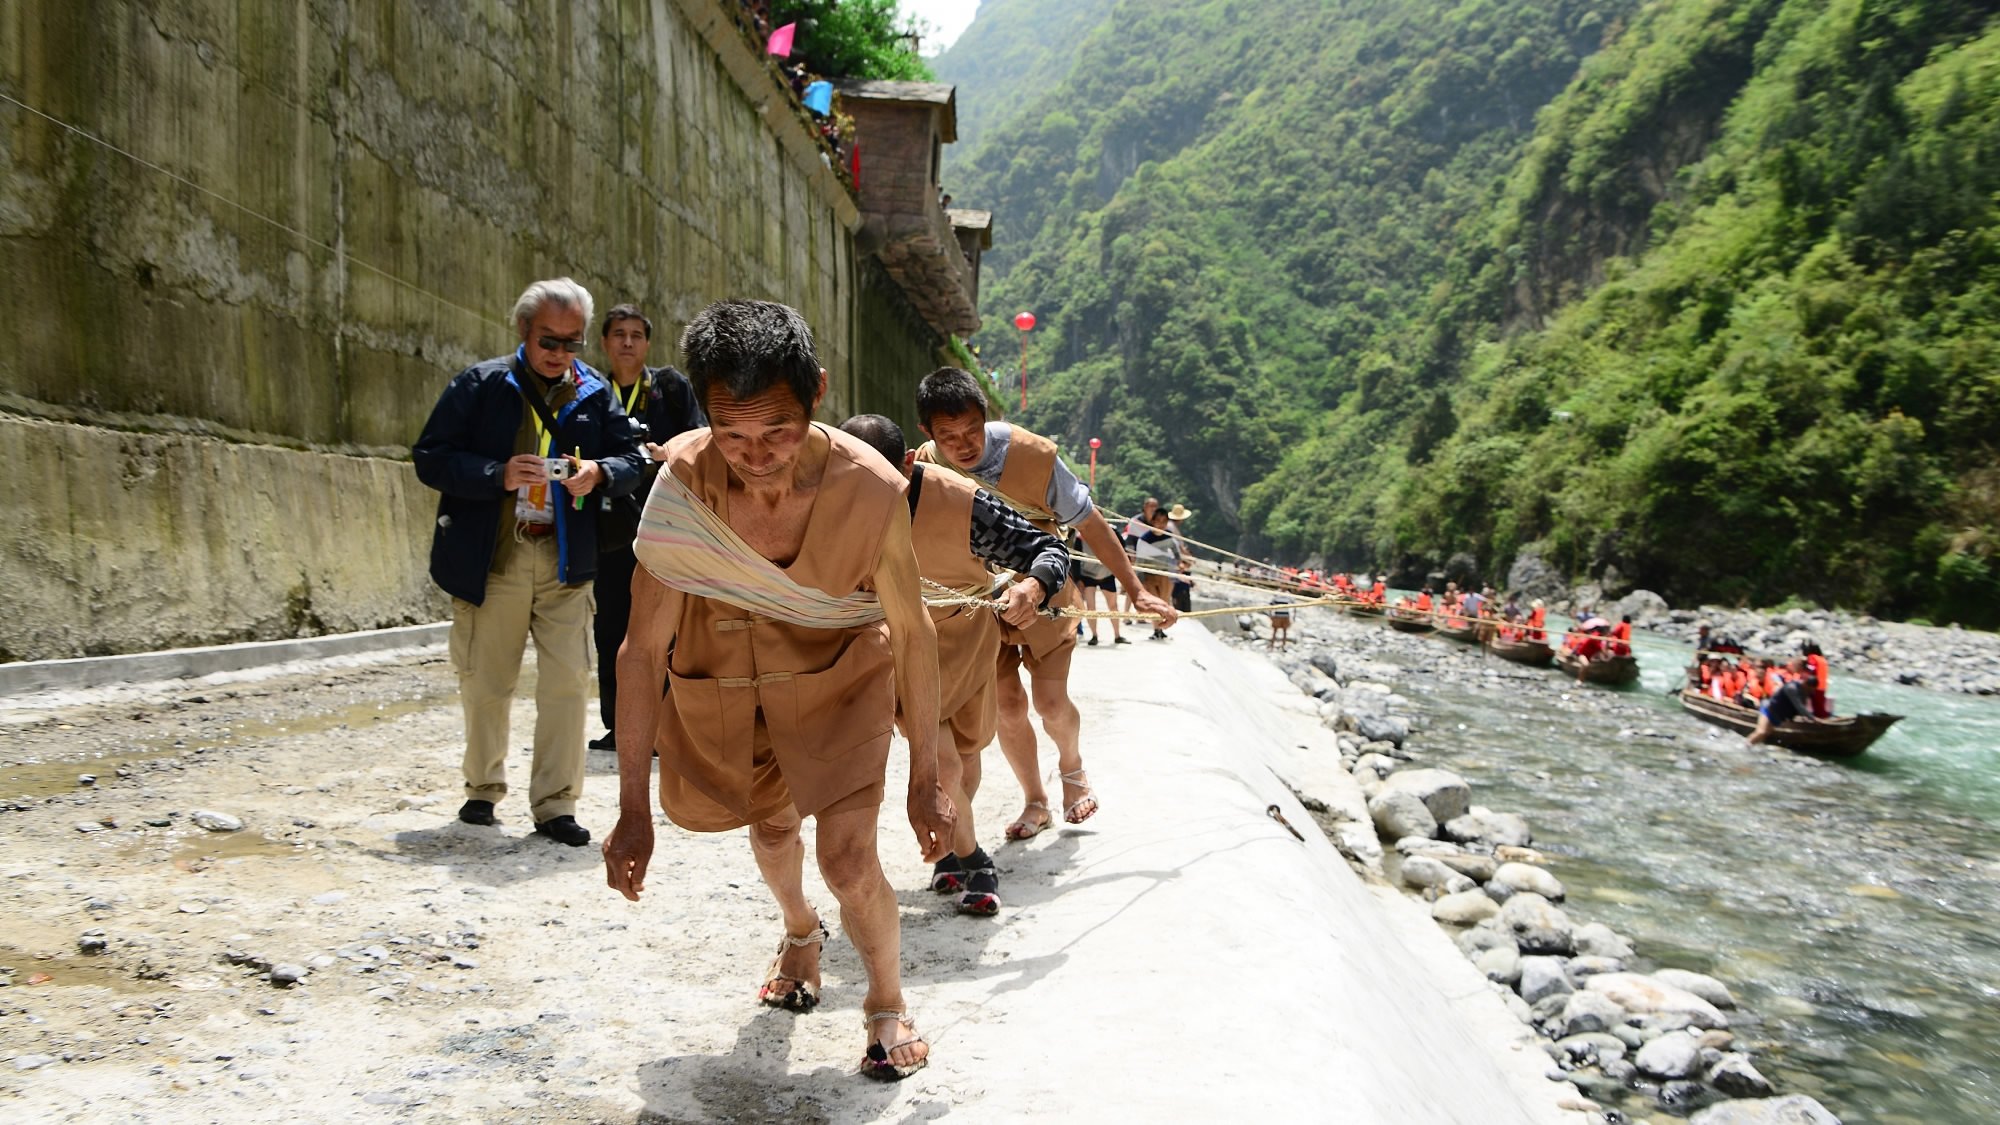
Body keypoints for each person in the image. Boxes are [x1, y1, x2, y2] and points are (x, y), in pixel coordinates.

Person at [604, 300, 952, 1081]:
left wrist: (926, 775)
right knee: (770, 837)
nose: (754, 456)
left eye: (777, 432)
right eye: (731, 435)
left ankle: (886, 1000)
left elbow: (914, 629)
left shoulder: (871, 490)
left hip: (841, 679)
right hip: (730, 687)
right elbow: (641, 650)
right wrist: (631, 806)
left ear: (817, 392)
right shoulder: (682, 487)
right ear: (704, 414)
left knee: (849, 856)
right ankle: (801, 934)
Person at [413, 277, 645, 847]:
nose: (559, 354)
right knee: (487, 682)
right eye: (549, 341)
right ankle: (482, 790)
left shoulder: (594, 392)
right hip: (498, 556)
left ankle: (555, 806)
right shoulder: (481, 384)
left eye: (572, 343)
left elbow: (633, 457)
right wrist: (496, 476)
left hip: (566, 560)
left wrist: (600, 473)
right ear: (523, 331)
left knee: (567, 684)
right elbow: (430, 458)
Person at [913, 367, 1178, 840]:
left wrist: (1135, 589)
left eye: (972, 430)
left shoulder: (1032, 456)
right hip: (979, 600)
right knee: (1008, 706)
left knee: (1051, 703)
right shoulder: (928, 466)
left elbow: (1092, 524)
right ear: (927, 435)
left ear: (986, 416)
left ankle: (1073, 772)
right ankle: (1035, 800)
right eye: (948, 436)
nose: (963, 445)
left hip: (1045, 585)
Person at [838, 414, 1070, 915]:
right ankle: (974, 858)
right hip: (898, 650)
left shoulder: (963, 504)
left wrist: (1033, 585)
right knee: (941, 762)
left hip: (968, 646)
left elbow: (1046, 548)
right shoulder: (827, 502)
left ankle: (949, 848)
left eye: (880, 480)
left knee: (965, 763)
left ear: (906, 464)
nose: (865, 493)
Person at [589, 304, 707, 753]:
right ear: (604, 342)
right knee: (612, 628)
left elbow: (697, 436)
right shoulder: (593, 392)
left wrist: (667, 451)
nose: (627, 343)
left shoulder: (669, 388)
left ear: (647, 343)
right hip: (611, 528)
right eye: (618, 334)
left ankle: (667, 725)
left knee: (669, 630)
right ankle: (620, 724)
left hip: (665, 526)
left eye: (636, 335)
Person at [1749, 659, 1818, 743]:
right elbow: (1799, 706)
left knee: (1766, 733)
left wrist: (1809, 717)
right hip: (1769, 709)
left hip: (1778, 715)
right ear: (1806, 684)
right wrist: (1813, 719)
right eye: (1810, 689)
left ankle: (1753, 749)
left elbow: (1801, 708)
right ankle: (1744, 746)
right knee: (1761, 732)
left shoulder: (1805, 692)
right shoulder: (1792, 688)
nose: (1811, 692)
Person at [1802, 641, 1831, 718]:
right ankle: (1823, 718)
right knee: (1819, 706)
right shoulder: (1823, 659)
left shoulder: (1812, 657)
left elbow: (1811, 668)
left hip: (1814, 685)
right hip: (1823, 686)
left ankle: (1818, 721)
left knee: (1815, 705)